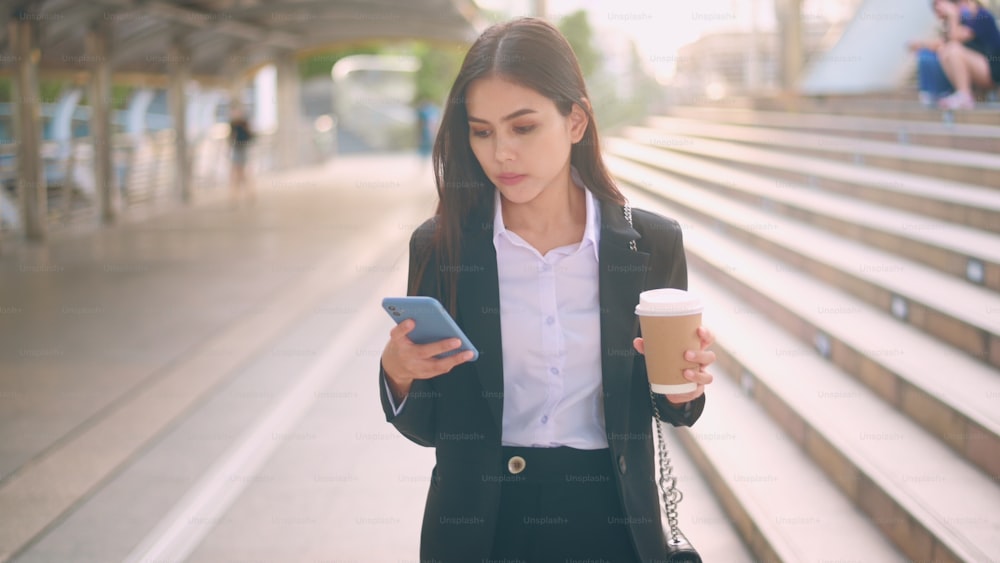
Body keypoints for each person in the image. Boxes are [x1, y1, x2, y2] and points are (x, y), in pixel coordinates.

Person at [378, 17, 716, 563]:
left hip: (612, 523)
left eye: (523, 127)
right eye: (482, 131)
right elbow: (426, 428)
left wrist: (684, 388)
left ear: (575, 120)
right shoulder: (442, 245)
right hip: (481, 529)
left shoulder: (649, 242)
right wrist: (399, 371)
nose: (501, 153)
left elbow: (672, 405)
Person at [908, 0, 1000, 109]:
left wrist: (953, 16)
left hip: (993, 71)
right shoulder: (962, 21)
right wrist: (921, 44)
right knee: (943, 51)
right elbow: (942, 43)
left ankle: (964, 96)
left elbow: (954, 38)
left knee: (953, 50)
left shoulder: (981, 16)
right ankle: (952, 93)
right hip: (981, 69)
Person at [228, 109, 255, 207]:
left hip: (243, 149)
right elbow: (231, 137)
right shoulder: (233, 124)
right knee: (237, 173)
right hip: (237, 149)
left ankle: (248, 193)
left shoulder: (244, 123)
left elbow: (251, 136)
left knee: (242, 173)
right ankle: (237, 195)